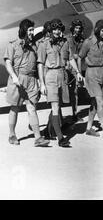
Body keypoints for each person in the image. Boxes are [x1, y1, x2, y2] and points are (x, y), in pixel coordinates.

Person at [4, 19, 50, 147]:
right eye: (30, 30)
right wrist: (13, 76)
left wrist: (41, 82)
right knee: (15, 108)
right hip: (17, 80)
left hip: (31, 81)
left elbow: (38, 64)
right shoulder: (12, 45)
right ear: (24, 30)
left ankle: (38, 138)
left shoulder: (34, 47)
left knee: (32, 108)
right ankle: (12, 135)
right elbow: (8, 63)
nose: (32, 32)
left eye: (32, 30)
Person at [37, 18, 80, 147]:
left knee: (58, 106)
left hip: (62, 75)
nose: (57, 31)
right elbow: (40, 64)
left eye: (59, 29)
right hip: (50, 76)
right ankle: (61, 138)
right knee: (55, 107)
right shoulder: (44, 44)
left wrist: (78, 72)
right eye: (54, 29)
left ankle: (50, 130)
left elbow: (71, 58)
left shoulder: (65, 43)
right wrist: (42, 83)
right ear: (50, 31)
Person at [78, 19, 103, 140]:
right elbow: (80, 57)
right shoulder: (88, 42)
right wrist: (79, 73)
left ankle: (89, 128)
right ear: (97, 30)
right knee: (100, 102)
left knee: (94, 103)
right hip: (92, 74)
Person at [66, 19, 85, 122]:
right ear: (73, 28)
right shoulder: (69, 39)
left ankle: (75, 113)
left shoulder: (81, 40)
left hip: (76, 67)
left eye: (79, 28)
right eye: (76, 28)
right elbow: (72, 55)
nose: (78, 30)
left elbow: (80, 55)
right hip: (69, 67)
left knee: (75, 91)